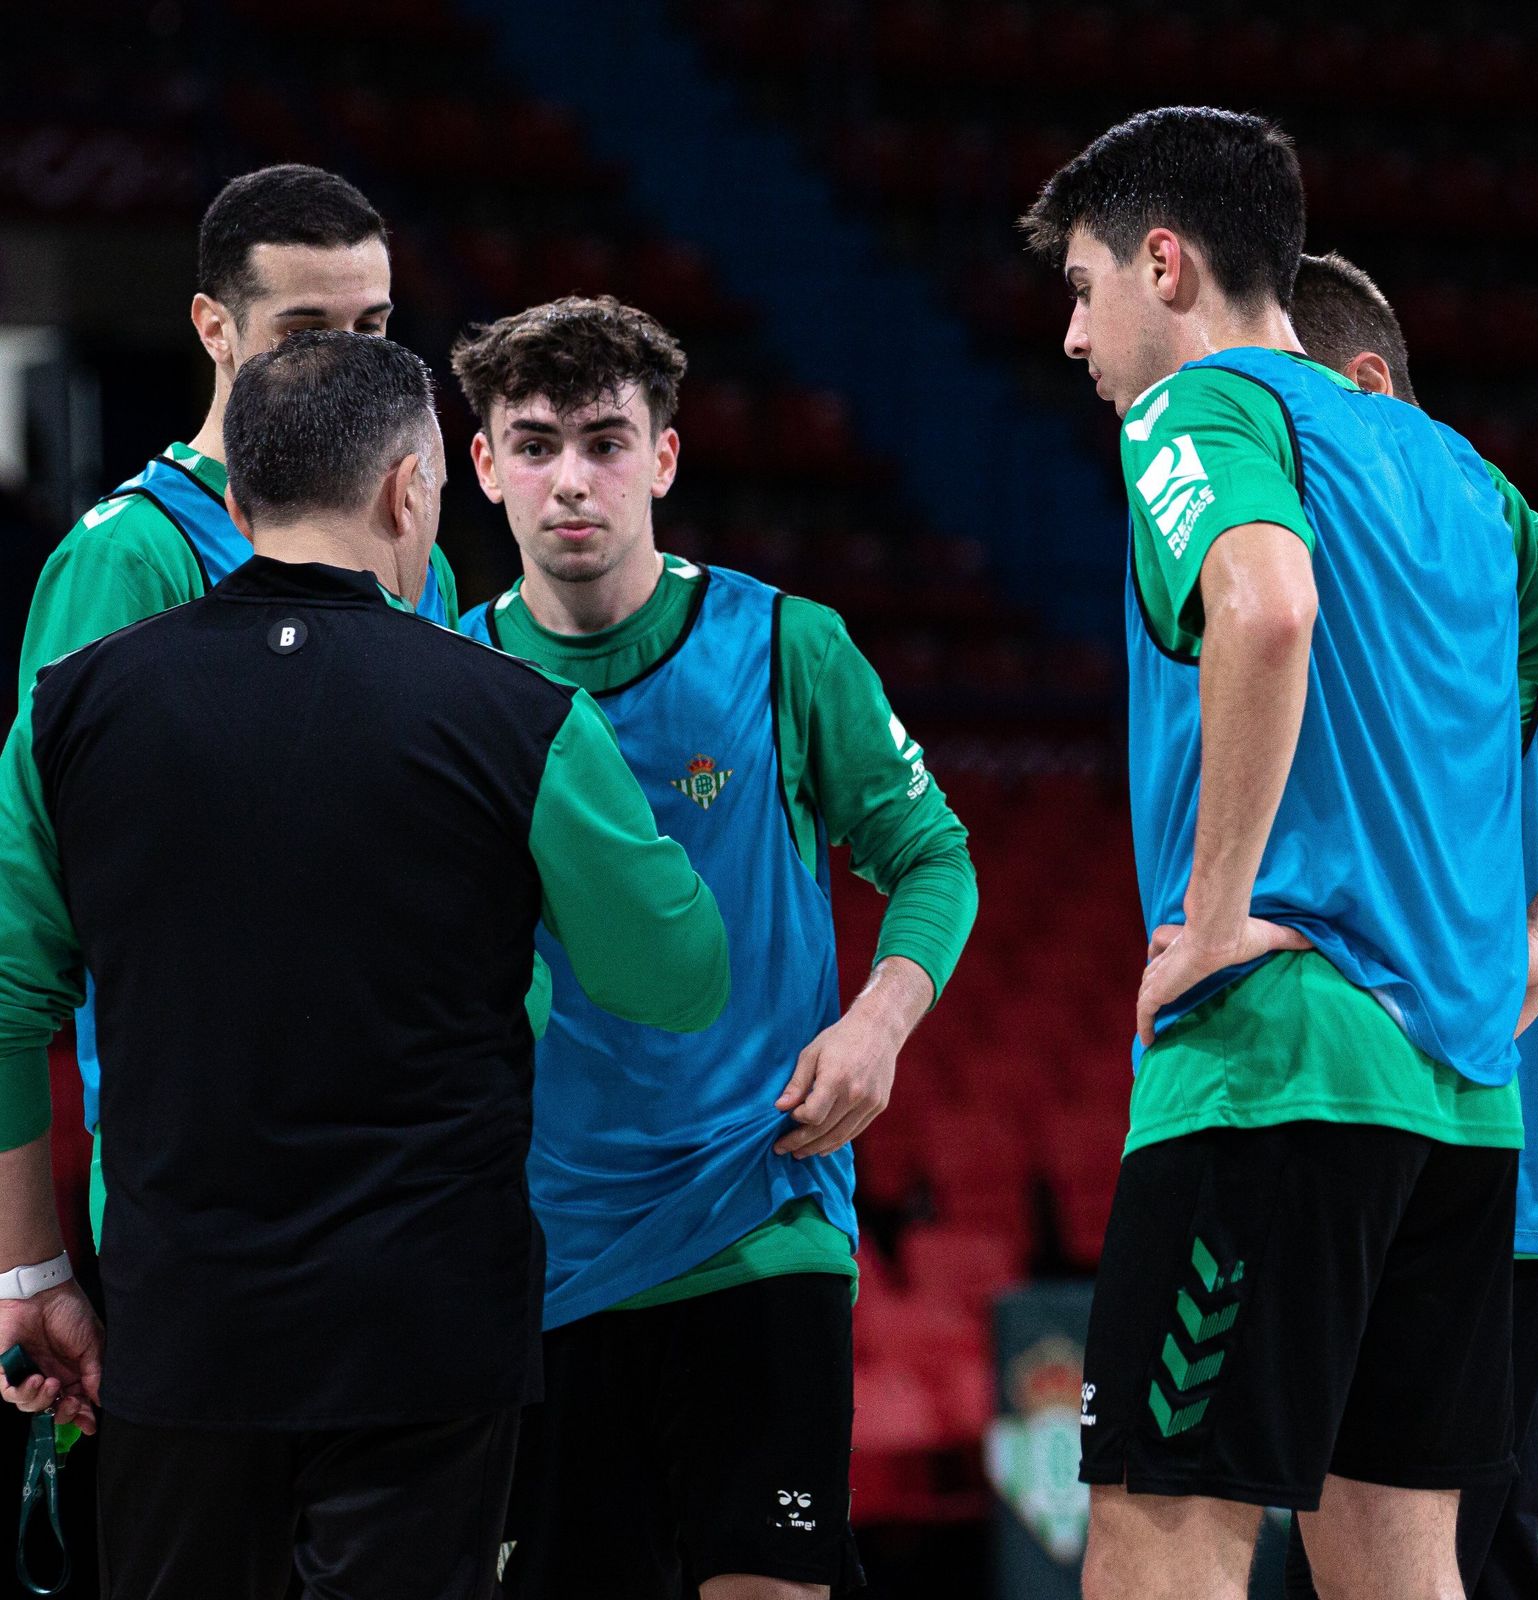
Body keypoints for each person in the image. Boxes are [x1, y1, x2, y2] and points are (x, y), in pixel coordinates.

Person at [0, 330, 729, 1600]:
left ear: (236, 501)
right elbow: (679, 975)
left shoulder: (69, 708)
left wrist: (33, 1270)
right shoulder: (518, 717)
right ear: (409, 490)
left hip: (181, 1328)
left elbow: (11, 1000)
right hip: (428, 1338)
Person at [1019, 106, 1538, 1600]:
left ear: (1165, 265)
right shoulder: (1459, 472)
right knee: (1404, 1566)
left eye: (1081, 290)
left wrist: (1214, 917)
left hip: (1275, 1070)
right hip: (1466, 1110)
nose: (1074, 340)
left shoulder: (1203, 411)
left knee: (1162, 1535)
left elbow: (1266, 604)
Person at [451, 295, 977, 1599]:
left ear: (665, 459)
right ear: (482, 469)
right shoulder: (449, 686)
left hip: (763, 1213)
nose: (570, 477)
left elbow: (933, 859)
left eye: (605, 440)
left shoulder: (787, 645)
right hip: (541, 1258)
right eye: (533, 444)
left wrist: (876, 1024)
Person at [17, 162, 461, 1246]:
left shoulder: (418, 555)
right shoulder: (128, 559)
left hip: (412, 1174)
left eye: (373, 325)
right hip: (208, 1198)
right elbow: (33, 920)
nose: (347, 359)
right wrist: (24, 1263)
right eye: (305, 324)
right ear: (214, 328)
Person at [1284, 249, 1538, 1600]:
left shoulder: (1480, 556)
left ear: (1365, 389)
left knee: (1464, 1546)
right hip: (1389, 1143)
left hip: (1494, 1159)